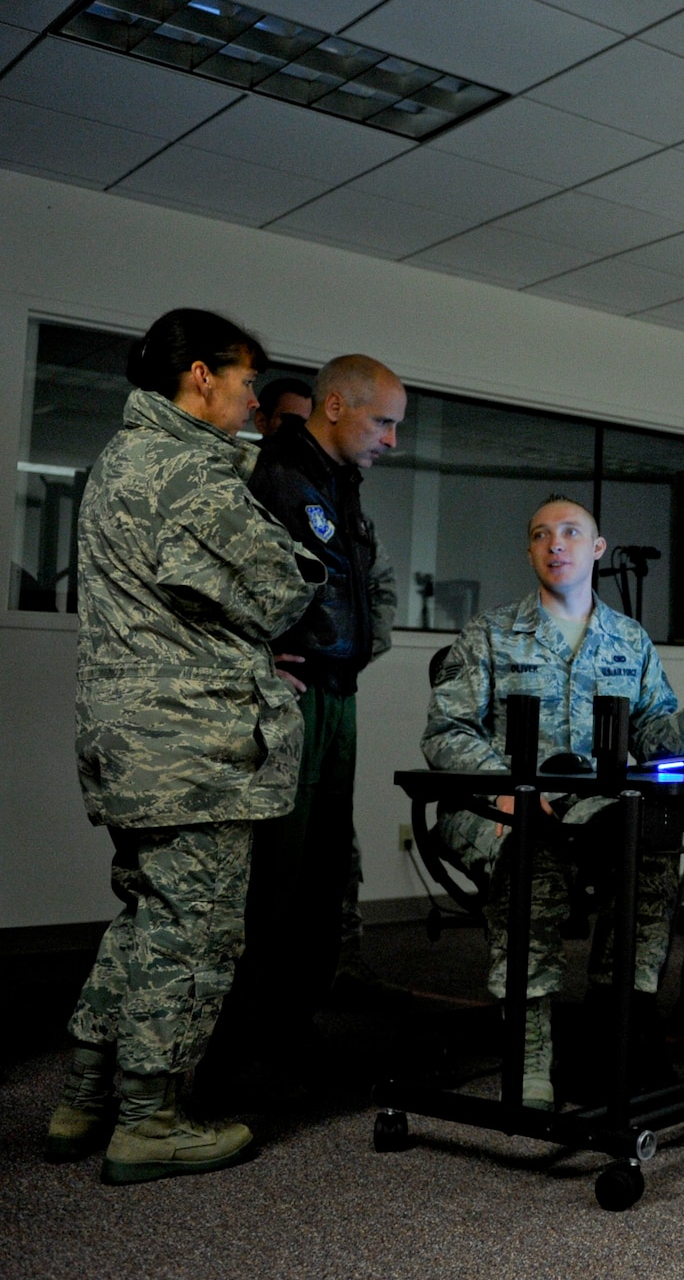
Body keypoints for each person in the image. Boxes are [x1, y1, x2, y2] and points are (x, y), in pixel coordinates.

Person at [48, 308, 323, 1183]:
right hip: (188, 747)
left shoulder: (119, 460)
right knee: (193, 932)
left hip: (132, 735)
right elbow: (280, 587)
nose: (253, 403)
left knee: (143, 918)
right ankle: (151, 1121)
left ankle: (85, 1096)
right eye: (246, 384)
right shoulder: (184, 469)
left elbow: (182, 599)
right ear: (198, 375)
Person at [422, 497, 684, 1109]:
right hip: (494, 807)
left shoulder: (628, 639)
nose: (554, 544)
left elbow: (648, 739)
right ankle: (530, 1052)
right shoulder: (491, 633)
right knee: (534, 859)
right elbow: (445, 733)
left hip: (590, 811)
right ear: (530, 551)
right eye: (540, 534)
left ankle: (615, 1029)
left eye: (569, 533)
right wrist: (505, 787)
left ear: (596, 548)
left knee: (653, 851)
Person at [213, 356, 404, 1081]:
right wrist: (254, 661)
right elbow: (218, 587)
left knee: (324, 879)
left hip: (336, 695)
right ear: (334, 407)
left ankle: (290, 1030)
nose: (391, 439)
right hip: (289, 704)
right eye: (382, 421)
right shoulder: (271, 478)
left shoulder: (341, 487)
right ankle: (239, 1052)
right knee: (274, 882)